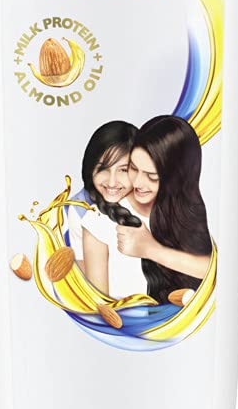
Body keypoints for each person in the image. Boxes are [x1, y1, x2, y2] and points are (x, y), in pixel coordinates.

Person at [114, 115, 213, 303]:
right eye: (133, 168)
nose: (138, 183)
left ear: (176, 176)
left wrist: (150, 249)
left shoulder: (191, 208)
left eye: (151, 176)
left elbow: (213, 269)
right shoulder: (117, 205)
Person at [68, 120, 148, 298]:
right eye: (103, 168)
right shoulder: (81, 210)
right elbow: (91, 286)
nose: (112, 182)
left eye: (123, 170)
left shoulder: (150, 200)